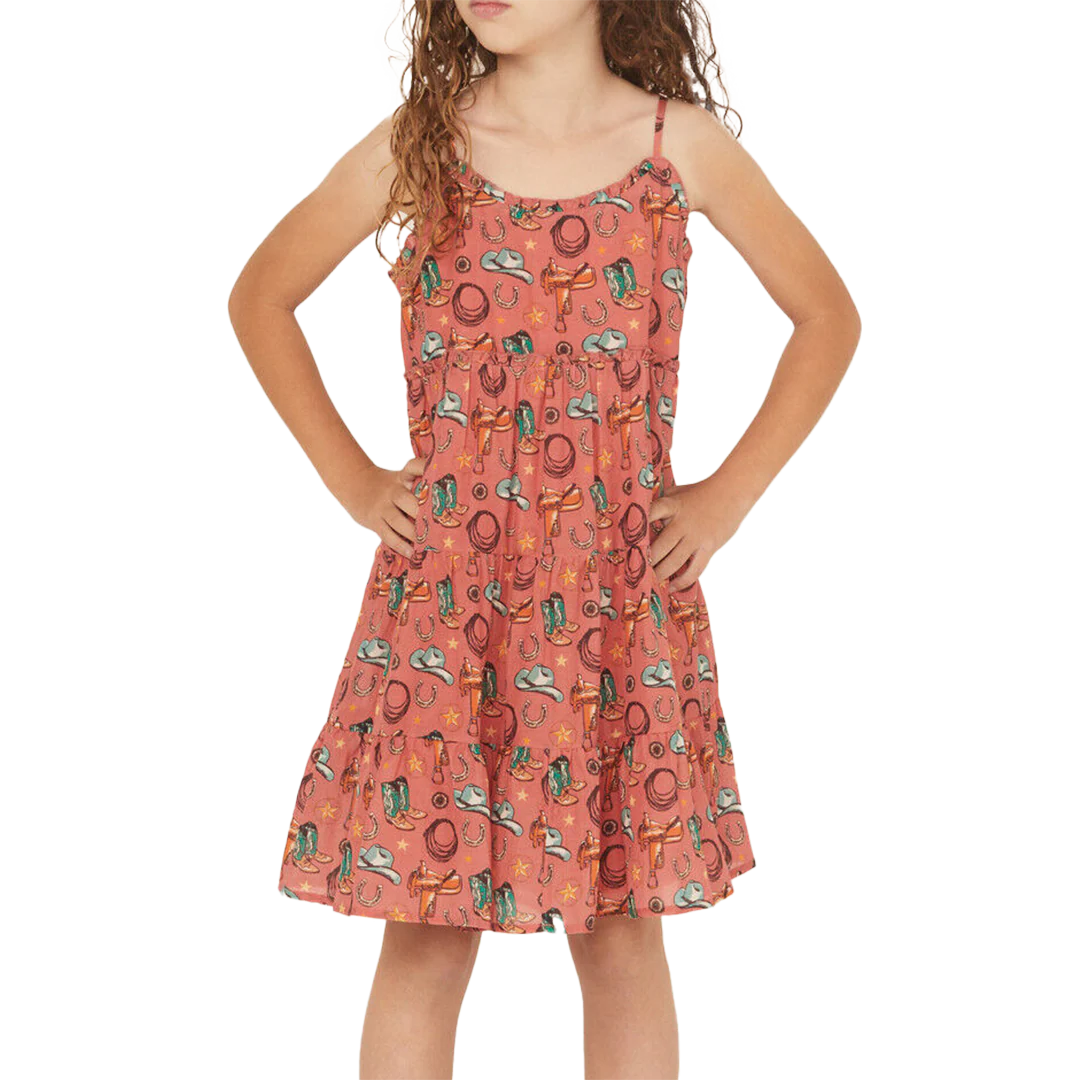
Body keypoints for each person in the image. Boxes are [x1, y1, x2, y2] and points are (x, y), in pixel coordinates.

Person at [227, 2, 861, 1077]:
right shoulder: (425, 142)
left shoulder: (677, 147)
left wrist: (722, 501)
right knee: (427, 928)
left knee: (618, 927)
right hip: (452, 605)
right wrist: (355, 479)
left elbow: (828, 317)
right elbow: (262, 297)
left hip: (615, 603)